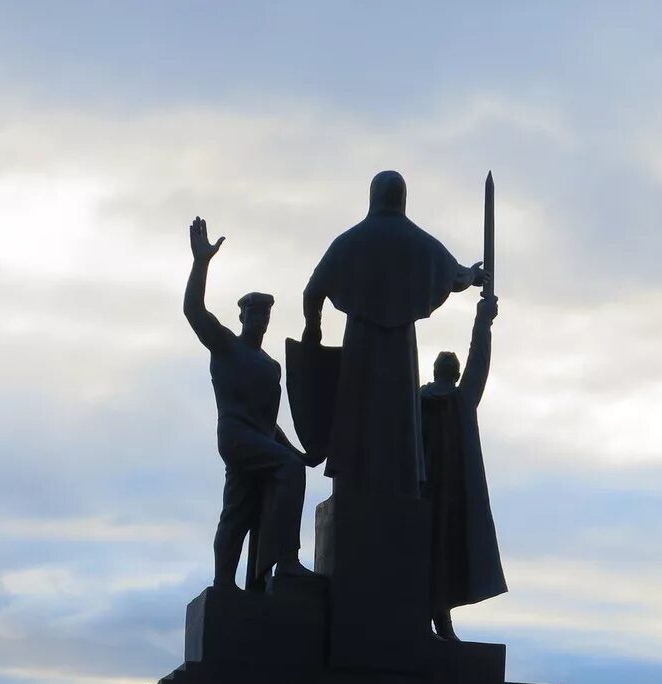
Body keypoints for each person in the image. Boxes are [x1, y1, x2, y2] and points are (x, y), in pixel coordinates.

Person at [302, 171, 484, 497]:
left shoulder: (349, 242)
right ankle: (399, 482)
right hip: (400, 348)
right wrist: (473, 275)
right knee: (399, 415)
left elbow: (312, 292)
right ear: (402, 198)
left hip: (360, 344)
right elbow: (455, 275)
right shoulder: (417, 241)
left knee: (357, 409)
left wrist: (313, 329)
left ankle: (356, 480)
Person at [185, 216, 313, 589]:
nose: (260, 319)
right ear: (241, 315)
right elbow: (194, 310)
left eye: (265, 314)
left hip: (257, 438)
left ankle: (233, 584)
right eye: (254, 312)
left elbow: (268, 424)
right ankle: (286, 560)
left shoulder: (271, 366)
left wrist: (296, 450)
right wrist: (201, 262)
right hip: (236, 437)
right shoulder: (226, 346)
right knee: (288, 471)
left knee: (241, 510)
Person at [420, 293, 507, 640]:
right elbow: (479, 360)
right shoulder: (462, 398)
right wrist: (483, 320)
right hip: (452, 491)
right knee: (446, 553)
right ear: (456, 375)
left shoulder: (415, 398)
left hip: (422, 489)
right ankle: (440, 619)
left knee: (428, 551)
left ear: (434, 373)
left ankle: (434, 618)